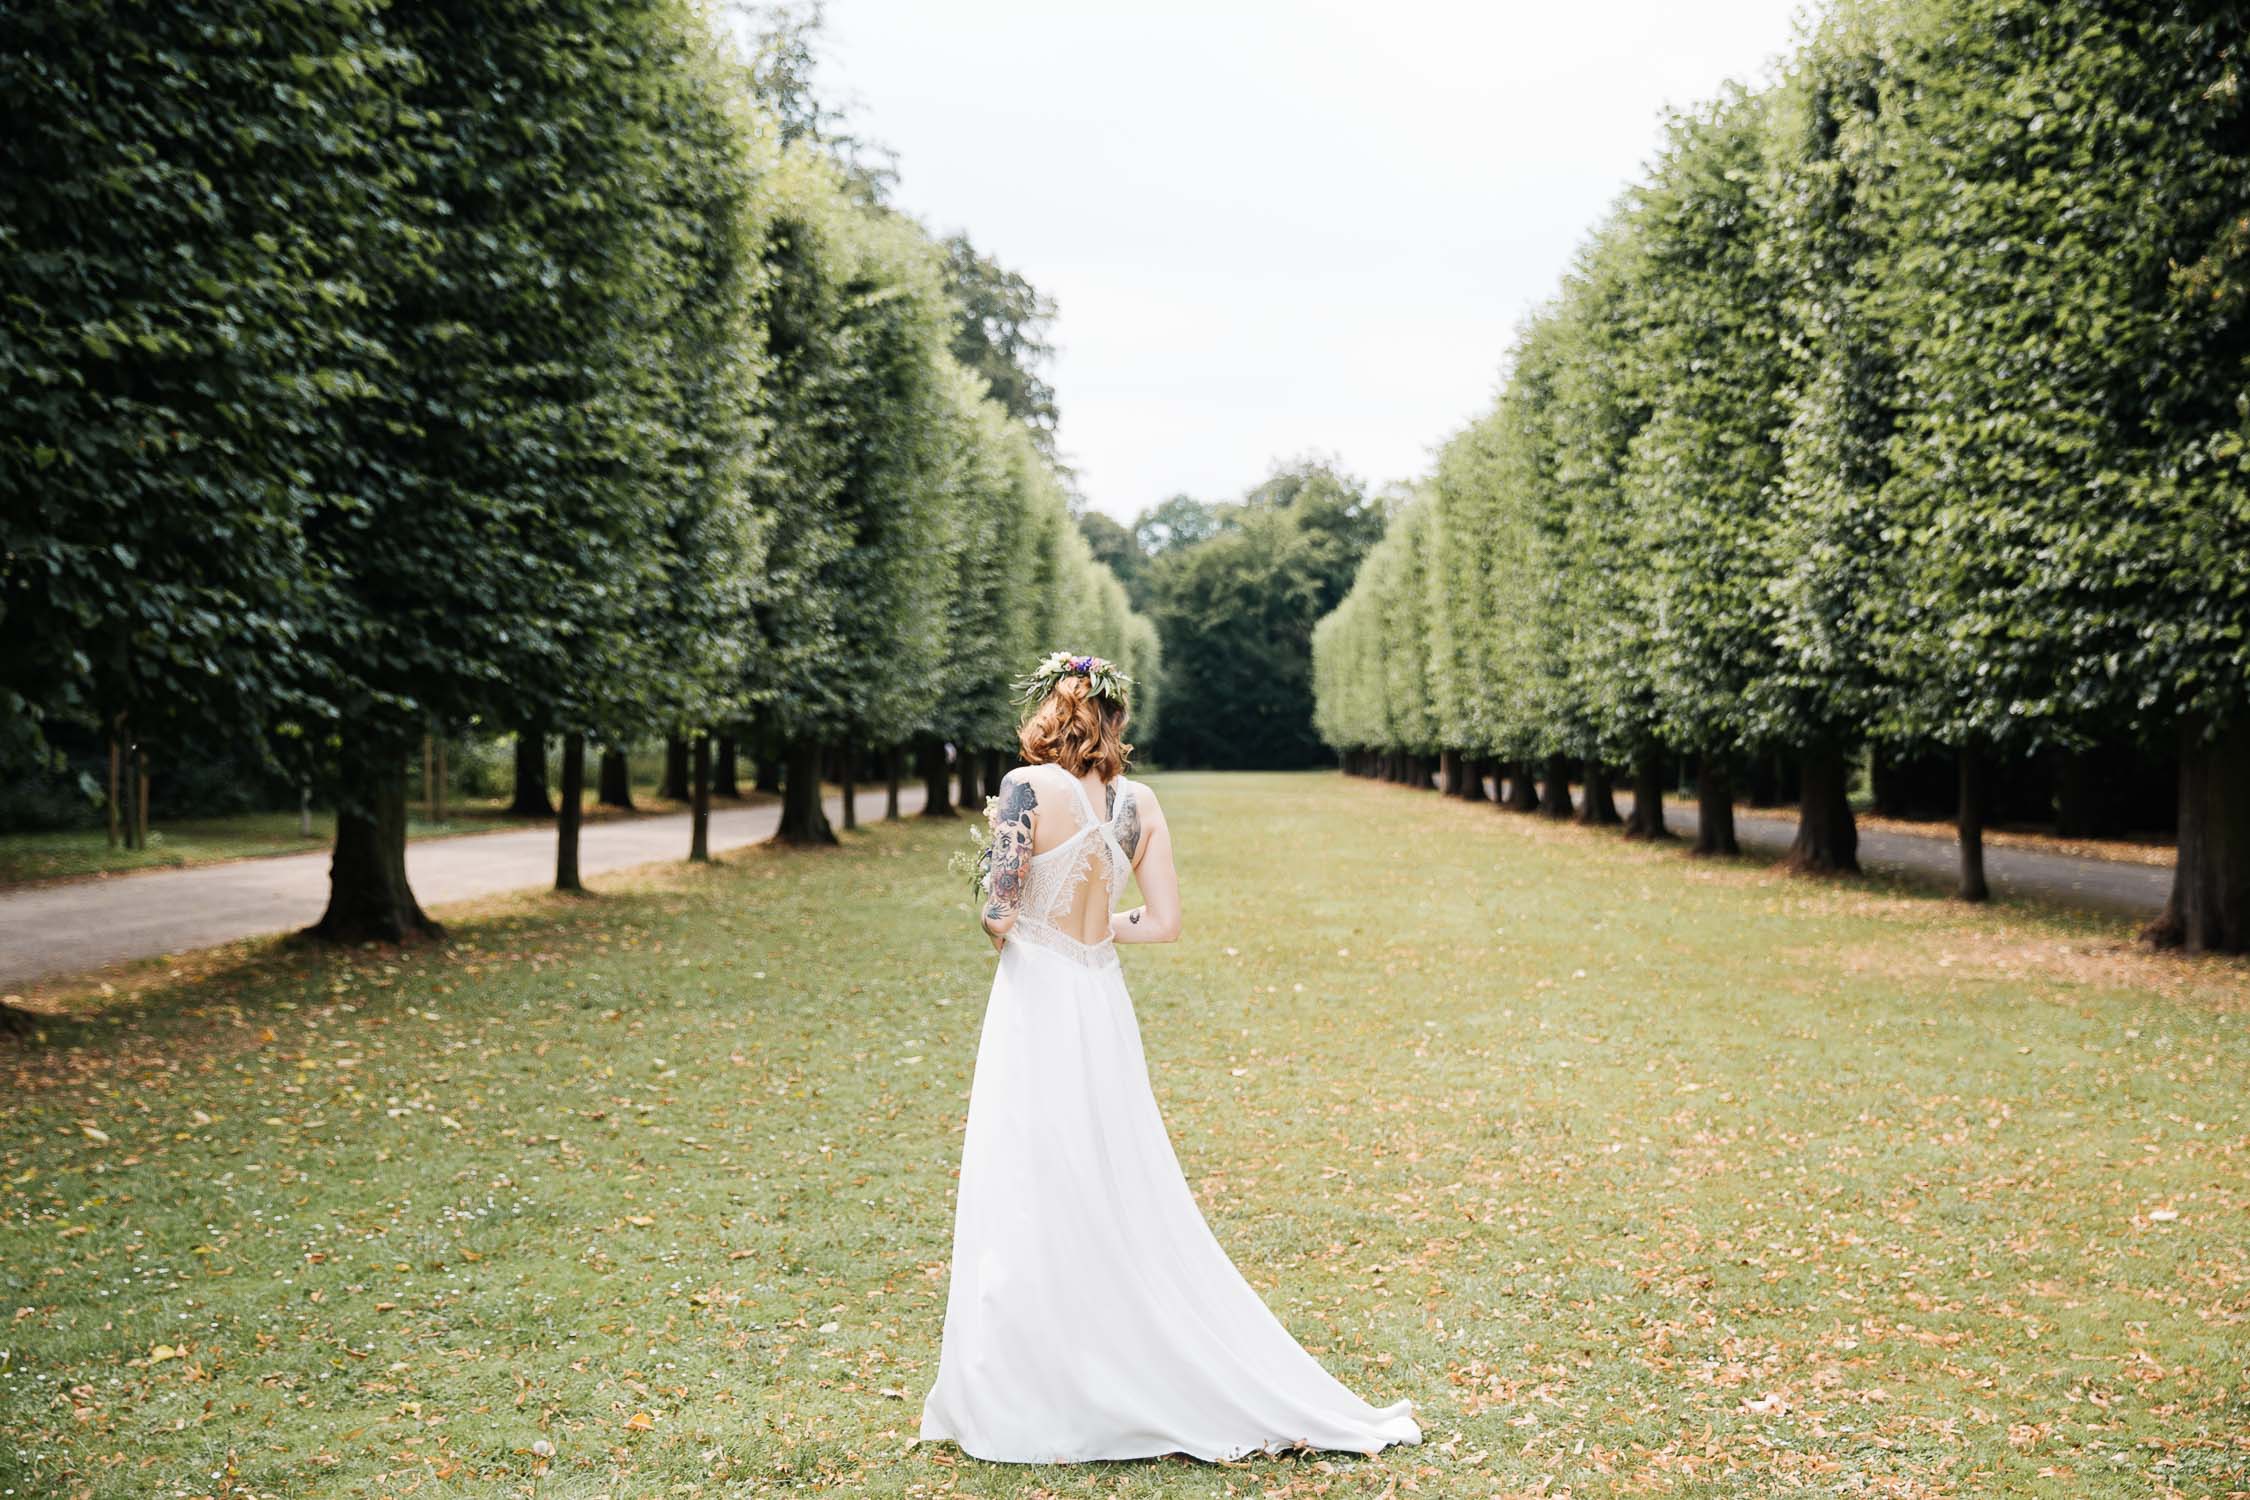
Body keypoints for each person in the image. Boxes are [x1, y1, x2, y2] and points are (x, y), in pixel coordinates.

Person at [919, 651, 1421, 1464]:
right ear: (1114, 719)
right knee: (1116, 1175)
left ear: (1053, 711)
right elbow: (1161, 923)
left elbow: (999, 914)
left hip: (1038, 1001)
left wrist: (1012, 904)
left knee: (1028, 1173)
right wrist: (1096, 925)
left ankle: (1034, 1380)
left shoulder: (1023, 787)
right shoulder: (1140, 803)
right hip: (1100, 1001)